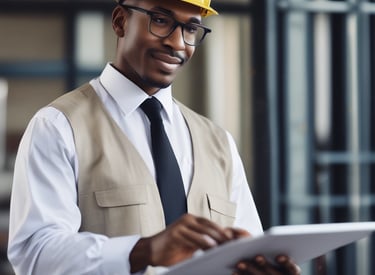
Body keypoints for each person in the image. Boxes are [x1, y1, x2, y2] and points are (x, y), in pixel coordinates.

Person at [8, 0, 301, 274]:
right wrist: (143, 250)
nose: (177, 43)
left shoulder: (219, 142)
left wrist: (262, 266)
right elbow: (35, 254)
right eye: (160, 20)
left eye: (190, 28)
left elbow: (246, 249)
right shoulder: (59, 126)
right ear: (121, 21)